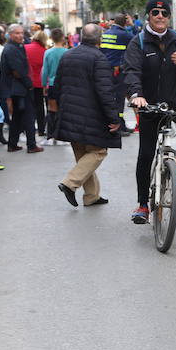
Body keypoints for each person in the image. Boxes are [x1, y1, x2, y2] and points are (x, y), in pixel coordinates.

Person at [123, 0, 176, 222]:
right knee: (146, 155)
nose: (160, 16)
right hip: (150, 105)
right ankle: (142, 205)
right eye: (155, 12)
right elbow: (131, 71)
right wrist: (137, 95)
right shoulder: (138, 42)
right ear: (148, 16)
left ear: (169, 17)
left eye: (164, 13)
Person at [53, 24, 121, 208]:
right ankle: (70, 183)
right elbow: (105, 92)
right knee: (98, 152)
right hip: (91, 115)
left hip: (69, 113)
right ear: (100, 38)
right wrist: (114, 118)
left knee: (83, 154)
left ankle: (91, 196)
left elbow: (57, 86)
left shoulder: (67, 55)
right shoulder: (99, 58)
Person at [0, 24, 43, 153]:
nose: (20, 36)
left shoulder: (16, 47)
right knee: (28, 116)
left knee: (18, 117)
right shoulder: (11, 49)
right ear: (10, 35)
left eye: (21, 33)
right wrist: (29, 84)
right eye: (16, 33)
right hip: (18, 88)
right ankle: (31, 145)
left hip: (17, 88)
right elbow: (17, 70)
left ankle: (12, 144)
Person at [100, 14, 134, 133]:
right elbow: (137, 43)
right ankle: (119, 126)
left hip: (105, 70)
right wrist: (132, 25)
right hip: (118, 71)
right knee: (119, 99)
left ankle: (115, 123)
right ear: (125, 23)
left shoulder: (105, 34)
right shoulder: (125, 35)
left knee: (109, 97)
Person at [41, 28, 69, 141]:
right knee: (64, 109)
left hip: (52, 84)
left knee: (52, 109)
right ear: (63, 38)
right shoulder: (67, 52)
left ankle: (51, 133)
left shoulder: (48, 52)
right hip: (64, 84)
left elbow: (45, 71)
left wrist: (44, 85)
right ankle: (62, 132)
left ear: (51, 38)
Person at [24, 30, 48, 139]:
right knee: (40, 107)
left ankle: (28, 129)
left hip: (27, 82)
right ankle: (41, 129)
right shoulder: (45, 51)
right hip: (39, 82)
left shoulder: (25, 48)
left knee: (29, 107)